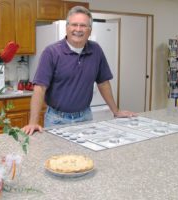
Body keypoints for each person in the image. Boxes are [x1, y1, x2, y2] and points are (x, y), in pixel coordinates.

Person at [22, 6, 136, 135]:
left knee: (84, 155)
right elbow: (40, 88)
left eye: (83, 25)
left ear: (90, 30)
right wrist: (33, 122)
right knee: (58, 155)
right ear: (67, 27)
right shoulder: (52, 52)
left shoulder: (96, 50)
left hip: (85, 118)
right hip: (56, 120)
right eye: (74, 25)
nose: (78, 29)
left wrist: (116, 111)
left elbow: (103, 83)